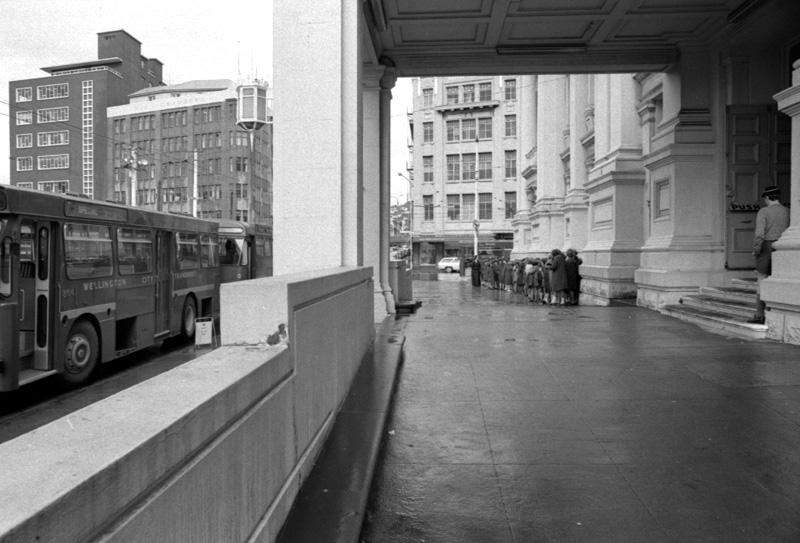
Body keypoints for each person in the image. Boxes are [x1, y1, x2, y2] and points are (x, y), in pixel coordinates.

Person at [748, 186, 790, 324]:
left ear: (766, 198)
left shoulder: (764, 211)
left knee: (762, 279)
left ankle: (759, 314)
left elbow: (759, 234)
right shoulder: (788, 211)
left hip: (766, 246)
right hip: (784, 246)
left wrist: (756, 250)